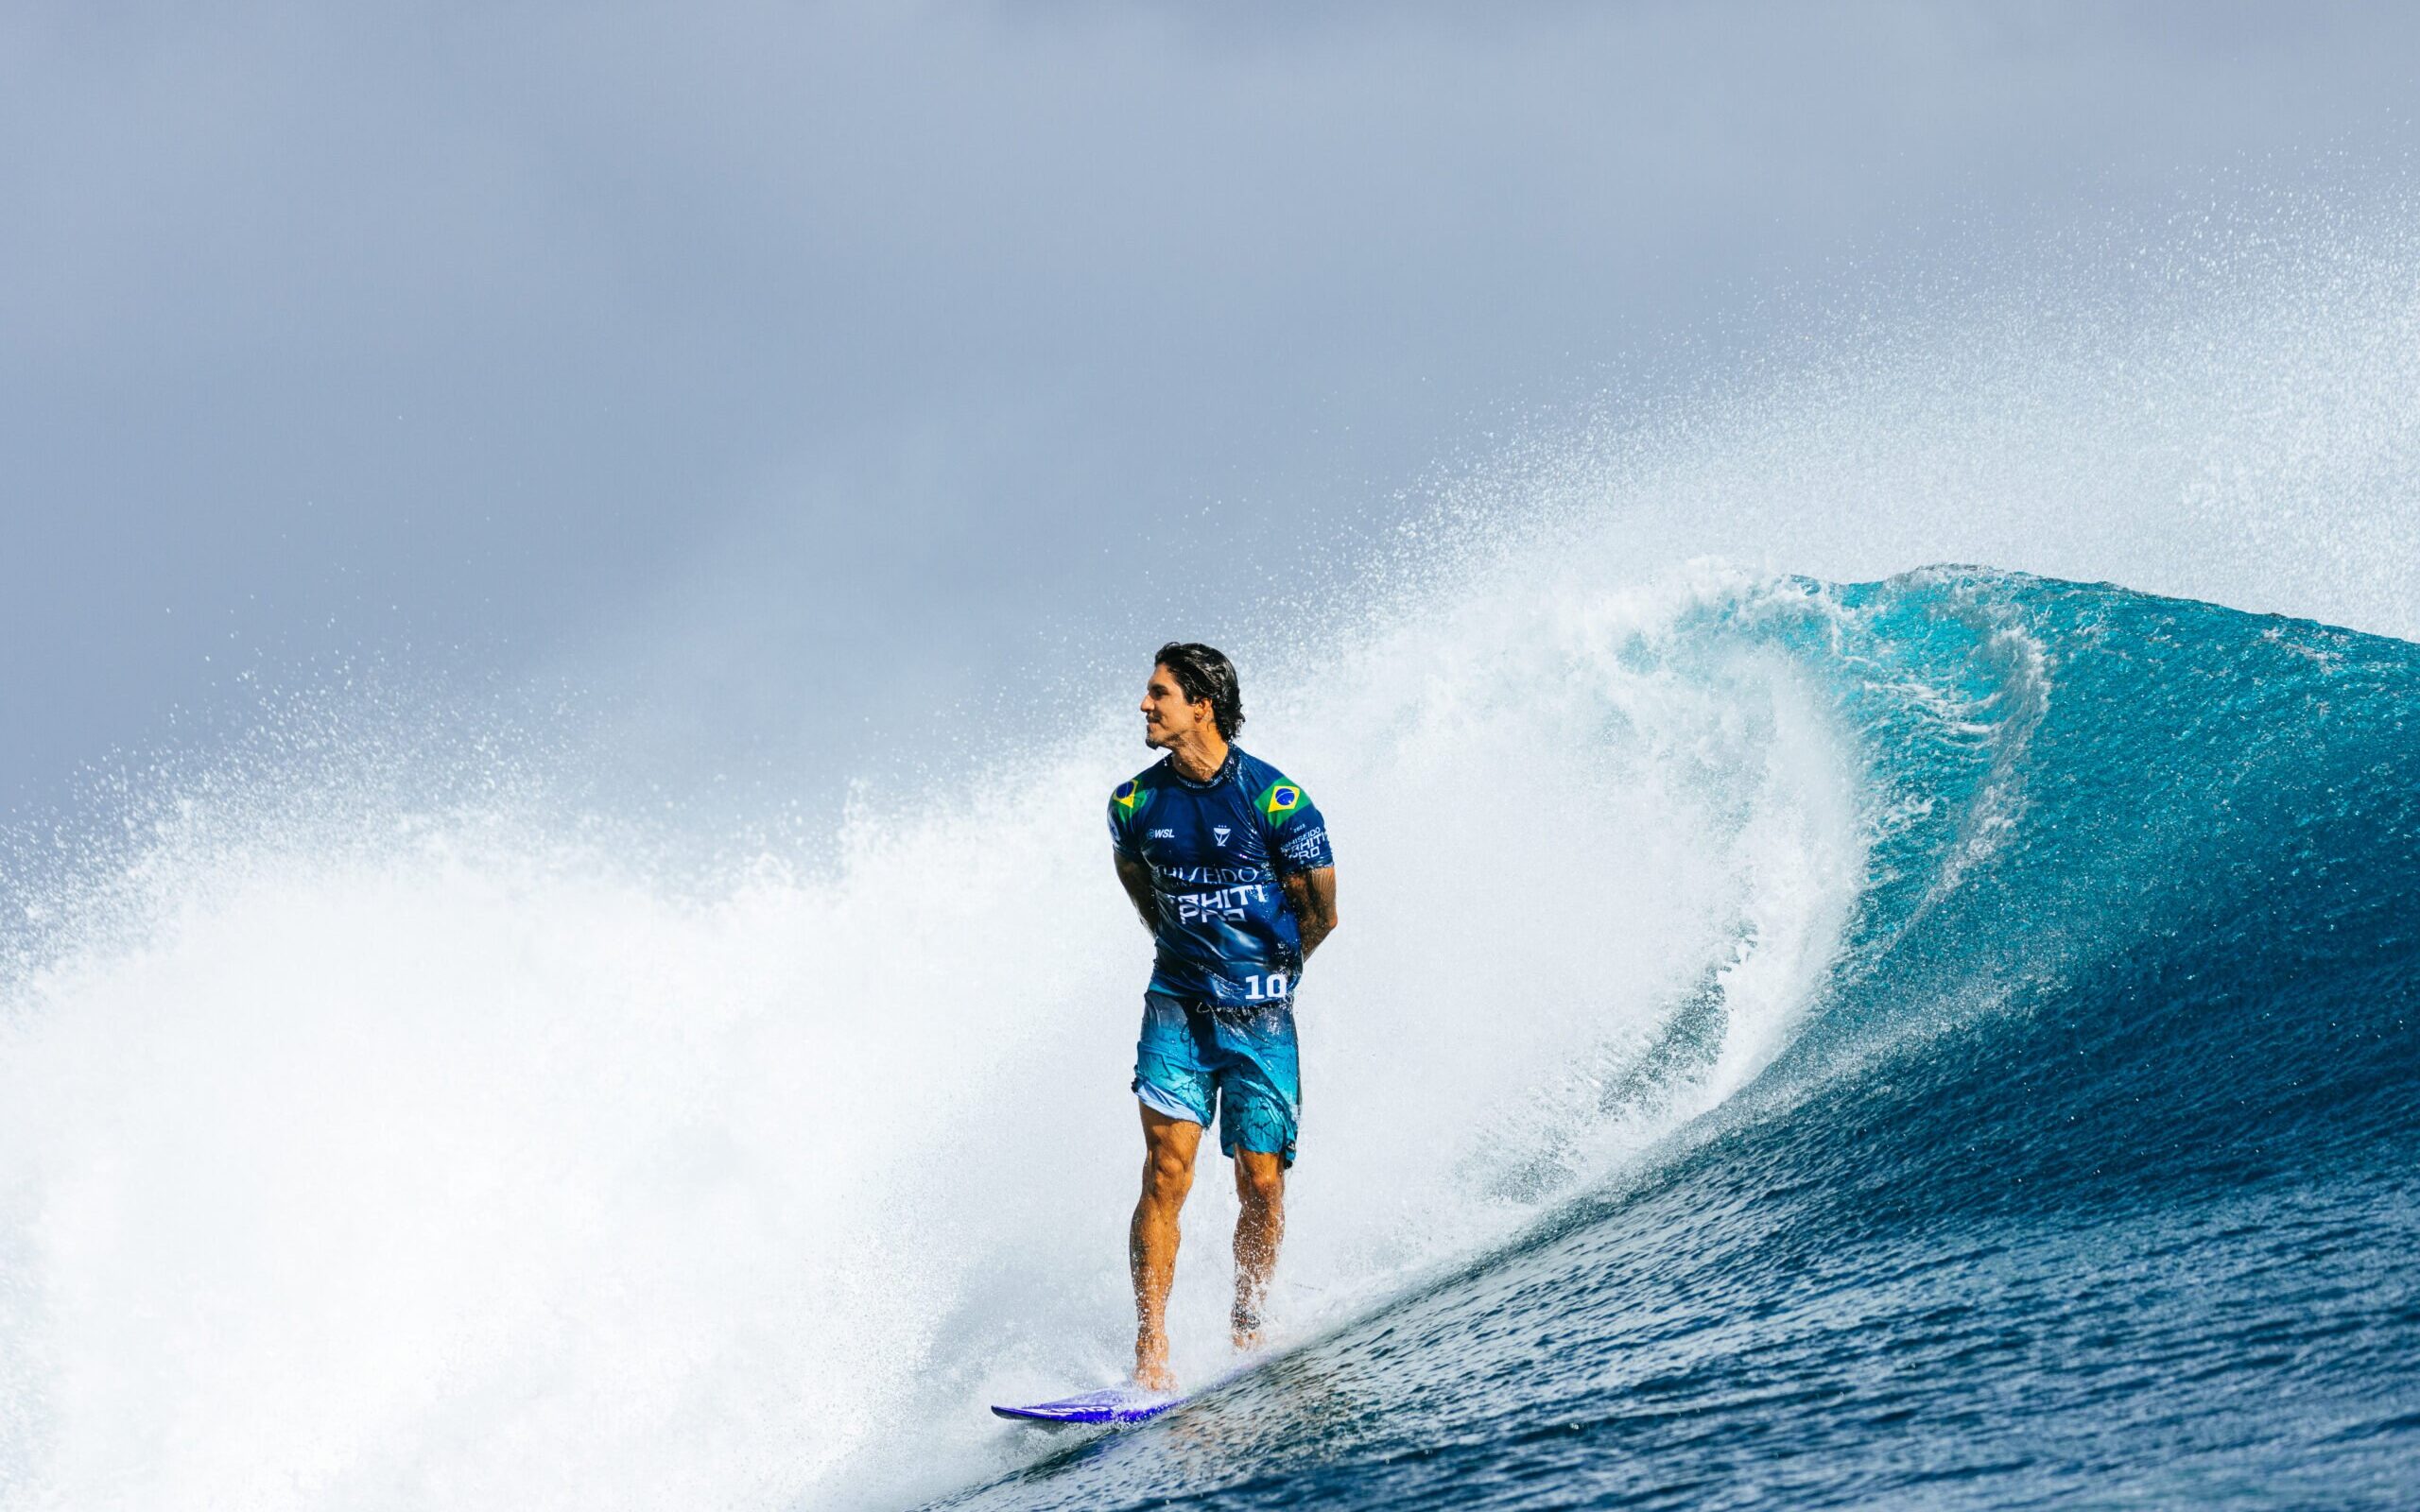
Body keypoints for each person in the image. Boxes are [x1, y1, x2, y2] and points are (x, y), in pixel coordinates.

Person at [1108, 643, 1338, 1392]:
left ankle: (1248, 1323)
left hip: (1261, 1017)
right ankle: (1151, 1356)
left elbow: (1322, 914)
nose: (1145, 706)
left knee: (1262, 1183)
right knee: (1166, 1171)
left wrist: (1266, 974)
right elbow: (1142, 893)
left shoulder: (1278, 801)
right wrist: (1185, 957)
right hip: (1175, 1008)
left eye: (1159, 693)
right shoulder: (1133, 805)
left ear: (1202, 703)